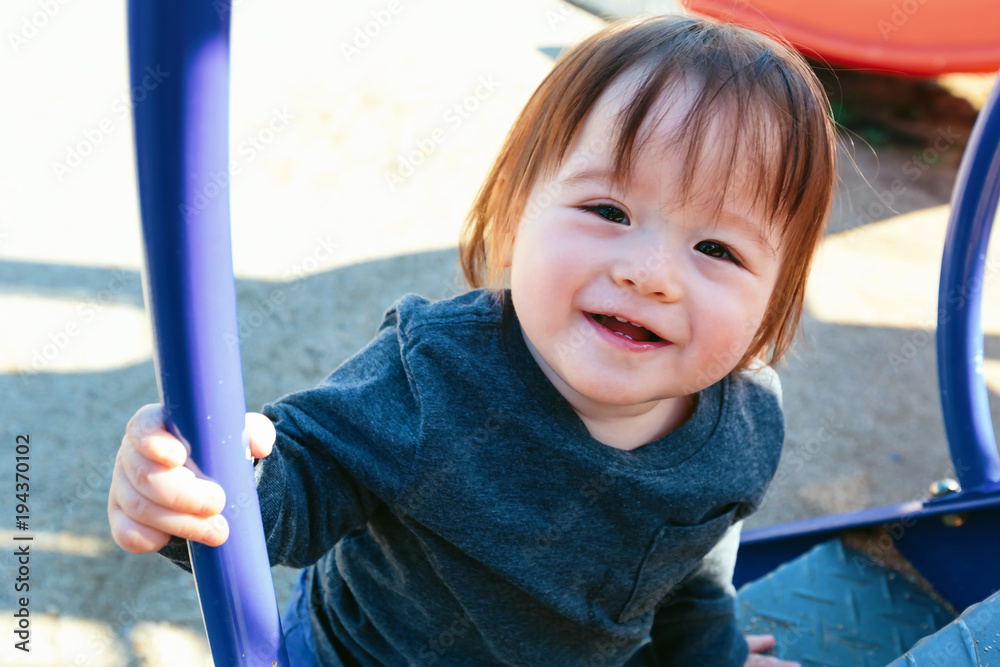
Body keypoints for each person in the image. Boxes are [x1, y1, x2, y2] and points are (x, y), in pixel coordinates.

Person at [108, 14, 836, 666]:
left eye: (717, 249)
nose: (649, 274)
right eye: (609, 209)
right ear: (518, 215)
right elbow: (297, 487)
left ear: (776, 295)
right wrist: (199, 488)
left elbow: (692, 571)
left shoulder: (744, 424)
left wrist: (715, 655)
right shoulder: (435, 373)